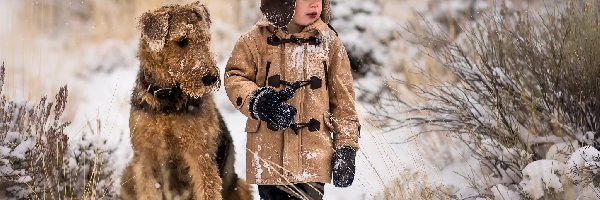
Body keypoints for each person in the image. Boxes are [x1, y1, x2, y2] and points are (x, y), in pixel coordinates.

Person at [224, 0, 360, 199]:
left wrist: (346, 147)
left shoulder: (329, 43)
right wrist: (258, 100)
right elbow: (235, 77)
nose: (315, 4)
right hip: (269, 157)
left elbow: (343, 100)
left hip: (312, 157)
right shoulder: (254, 41)